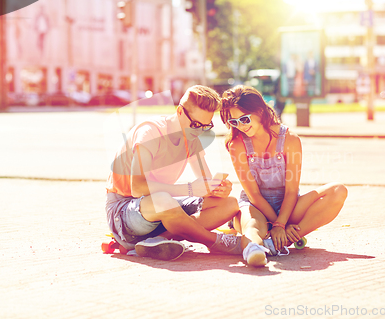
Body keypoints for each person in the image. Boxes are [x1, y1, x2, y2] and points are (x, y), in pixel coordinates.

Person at [105, 85, 265, 264]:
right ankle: (214, 241)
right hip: (124, 211)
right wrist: (190, 189)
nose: (199, 131)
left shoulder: (192, 138)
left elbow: (205, 182)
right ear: (180, 111)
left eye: (206, 126)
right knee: (163, 200)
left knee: (229, 204)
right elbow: (138, 188)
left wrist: (216, 188)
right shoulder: (149, 133)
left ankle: (155, 241)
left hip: (161, 212)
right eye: (196, 124)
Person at [220, 85, 348, 265]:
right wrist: (276, 223)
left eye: (244, 119)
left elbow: (291, 191)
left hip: (288, 206)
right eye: (234, 122)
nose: (240, 126)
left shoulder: (290, 140)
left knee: (338, 190)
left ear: (259, 111)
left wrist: (281, 225)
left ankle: (276, 243)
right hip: (255, 206)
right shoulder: (237, 145)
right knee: (253, 226)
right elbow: (253, 195)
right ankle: (253, 250)